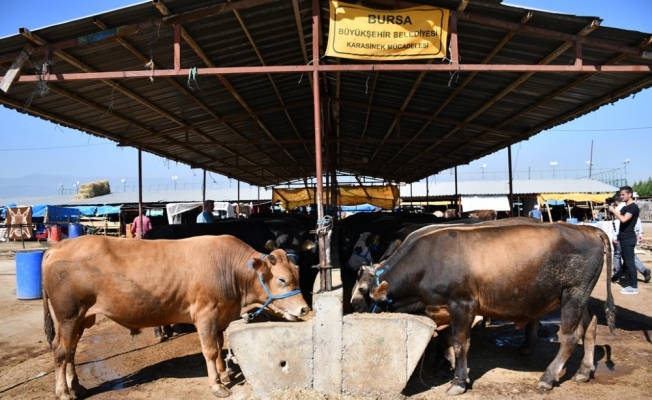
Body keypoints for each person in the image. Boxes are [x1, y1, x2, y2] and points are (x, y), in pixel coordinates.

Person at [611, 194, 651, 284]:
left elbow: (617, 224)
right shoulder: (630, 207)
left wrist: (614, 236)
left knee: (618, 255)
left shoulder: (620, 209)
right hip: (629, 235)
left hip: (622, 236)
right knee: (630, 255)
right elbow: (637, 221)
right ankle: (643, 271)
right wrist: (639, 232)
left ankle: (618, 275)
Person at [608, 186, 641, 294]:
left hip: (628, 238)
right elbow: (617, 217)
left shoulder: (633, 207)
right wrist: (612, 208)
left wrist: (614, 210)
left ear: (629, 194)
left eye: (623, 194)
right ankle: (631, 285)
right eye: (621, 194)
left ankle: (634, 286)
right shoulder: (625, 207)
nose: (621, 196)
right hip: (623, 237)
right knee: (628, 261)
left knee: (630, 263)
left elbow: (623, 219)